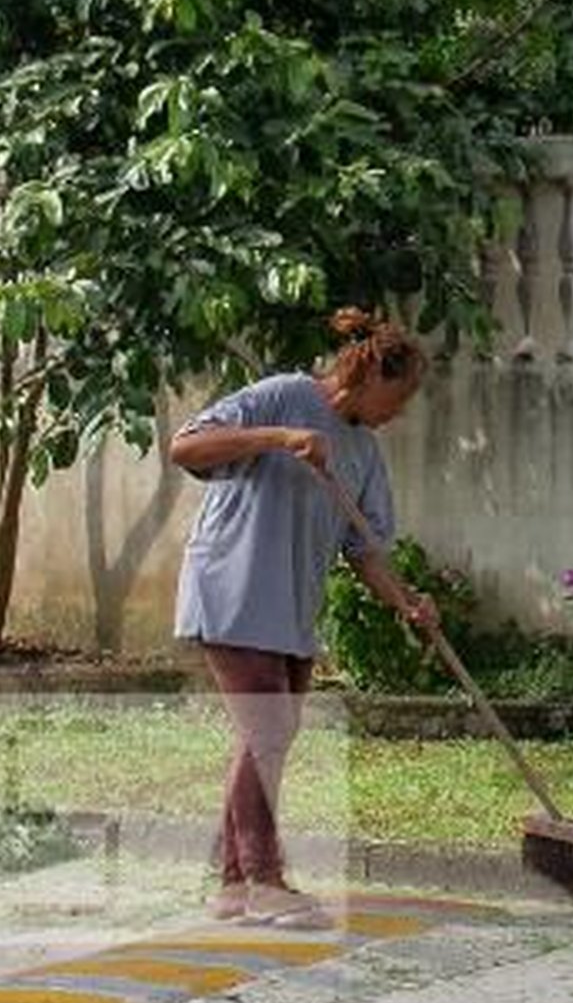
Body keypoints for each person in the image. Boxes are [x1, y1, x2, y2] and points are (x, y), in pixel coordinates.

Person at [167, 306, 441, 928]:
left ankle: (235, 886)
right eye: (397, 397)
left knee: (267, 738)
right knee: (267, 732)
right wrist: (281, 439)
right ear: (368, 375)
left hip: (290, 607)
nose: (399, 413)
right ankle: (265, 882)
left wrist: (407, 602)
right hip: (233, 589)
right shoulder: (285, 395)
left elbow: (365, 550)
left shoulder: (364, 452)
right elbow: (186, 447)